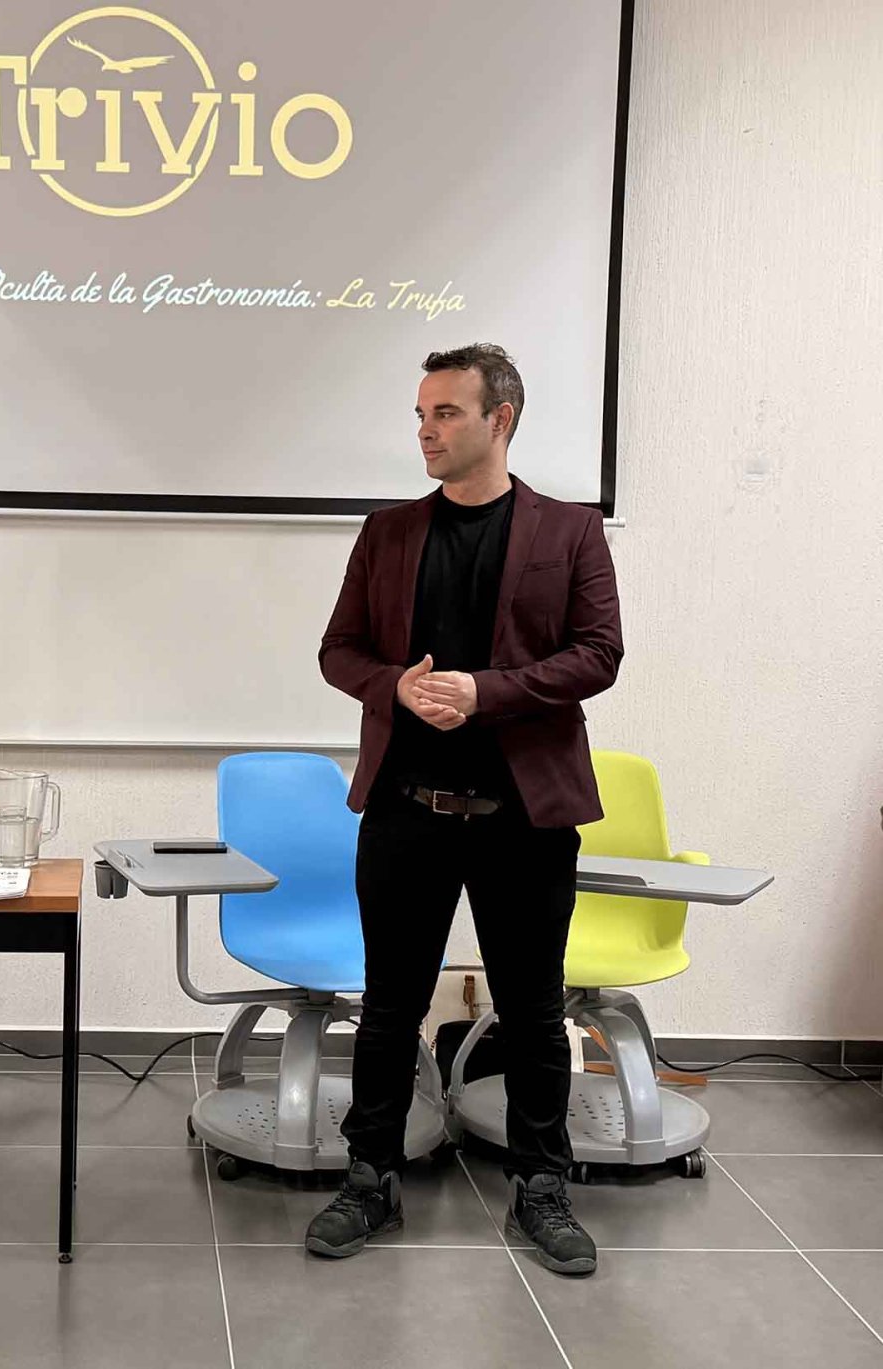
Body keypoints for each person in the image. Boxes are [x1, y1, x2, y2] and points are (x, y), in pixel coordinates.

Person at [308, 345, 623, 1275]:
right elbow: (339, 651)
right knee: (388, 1006)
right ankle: (370, 1177)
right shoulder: (388, 533)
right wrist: (394, 688)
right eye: (421, 414)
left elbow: (599, 653)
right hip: (407, 808)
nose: (426, 431)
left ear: (501, 418)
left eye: (445, 412)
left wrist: (488, 692)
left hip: (523, 815)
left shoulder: (570, 531)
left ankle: (542, 1185)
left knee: (533, 1010)